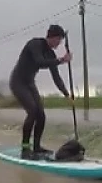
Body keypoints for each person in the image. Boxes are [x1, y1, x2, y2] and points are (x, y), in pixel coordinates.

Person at [9, 24, 74, 160]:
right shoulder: (35, 44)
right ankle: (25, 148)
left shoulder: (51, 54)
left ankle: (37, 147)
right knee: (32, 111)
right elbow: (39, 62)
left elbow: (56, 77)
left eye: (61, 40)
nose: (59, 43)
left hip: (29, 83)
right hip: (18, 82)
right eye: (58, 40)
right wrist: (61, 60)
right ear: (51, 37)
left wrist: (67, 94)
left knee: (41, 115)